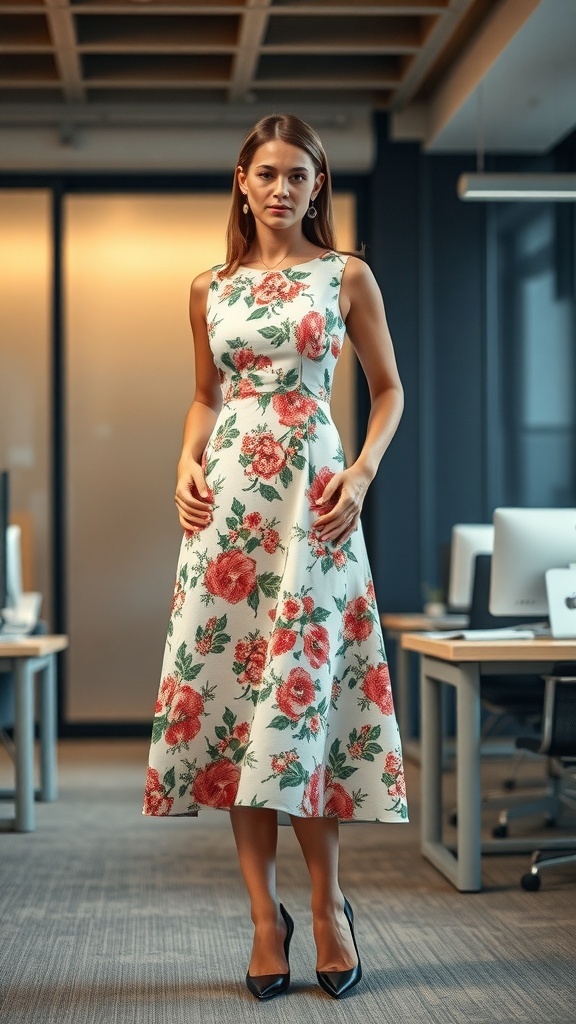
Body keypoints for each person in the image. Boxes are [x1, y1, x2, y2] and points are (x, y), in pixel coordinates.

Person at [143, 112, 407, 1000]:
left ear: (317, 185)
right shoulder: (208, 288)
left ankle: (329, 908)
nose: (284, 188)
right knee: (238, 714)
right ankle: (266, 918)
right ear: (243, 181)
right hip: (225, 519)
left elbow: (389, 390)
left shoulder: (345, 276)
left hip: (315, 509)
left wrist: (363, 473)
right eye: (269, 173)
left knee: (299, 715)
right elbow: (203, 399)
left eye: (300, 174)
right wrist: (184, 459)